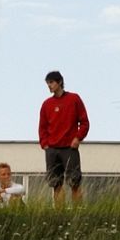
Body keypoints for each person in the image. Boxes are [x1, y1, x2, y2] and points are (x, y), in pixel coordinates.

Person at [39, 70, 90, 207]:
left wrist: (78, 138)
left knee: (74, 182)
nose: (49, 86)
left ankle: (78, 212)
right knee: (56, 184)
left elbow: (84, 122)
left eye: (51, 82)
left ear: (59, 82)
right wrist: (45, 144)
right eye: (47, 83)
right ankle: (59, 214)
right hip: (52, 149)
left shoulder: (74, 99)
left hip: (69, 148)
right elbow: (42, 127)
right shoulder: (46, 104)